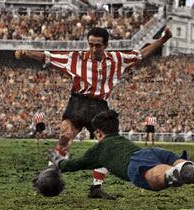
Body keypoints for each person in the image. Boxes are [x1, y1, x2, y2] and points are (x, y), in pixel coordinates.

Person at [15, 27, 172, 199]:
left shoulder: (117, 59)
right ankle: (49, 175)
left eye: (98, 45)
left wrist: (163, 40)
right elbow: (48, 56)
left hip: (99, 106)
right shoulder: (75, 58)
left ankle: (95, 188)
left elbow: (142, 54)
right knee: (65, 137)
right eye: (91, 45)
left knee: (107, 148)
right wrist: (27, 53)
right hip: (78, 102)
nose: (94, 49)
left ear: (106, 45)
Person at [48, 110, 194, 208]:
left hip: (135, 164)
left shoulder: (99, 149)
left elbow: (73, 165)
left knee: (160, 178)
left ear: (99, 133)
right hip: (153, 151)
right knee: (184, 167)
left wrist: (57, 161)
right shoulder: (122, 139)